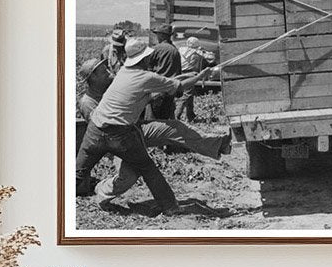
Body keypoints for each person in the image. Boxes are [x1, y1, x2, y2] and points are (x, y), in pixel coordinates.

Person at [74, 37, 229, 213]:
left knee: (79, 173)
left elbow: (164, 83)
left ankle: (55, 199)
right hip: (121, 135)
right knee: (147, 170)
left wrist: (187, 77)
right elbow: (177, 86)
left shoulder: (124, 73)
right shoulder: (144, 77)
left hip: (95, 132)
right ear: (144, 58)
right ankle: (169, 206)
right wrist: (200, 77)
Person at [145, 24, 182, 120]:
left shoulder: (156, 49)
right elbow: (179, 71)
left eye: (157, 34)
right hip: (171, 88)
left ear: (162, 35)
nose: (157, 37)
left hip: (157, 89)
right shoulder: (175, 50)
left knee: (151, 119)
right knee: (167, 118)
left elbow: (147, 67)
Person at [176, 36, 216, 121]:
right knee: (187, 95)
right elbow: (211, 58)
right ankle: (177, 115)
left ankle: (190, 115)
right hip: (190, 74)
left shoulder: (181, 49)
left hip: (181, 73)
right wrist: (204, 50)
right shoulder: (196, 52)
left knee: (189, 95)